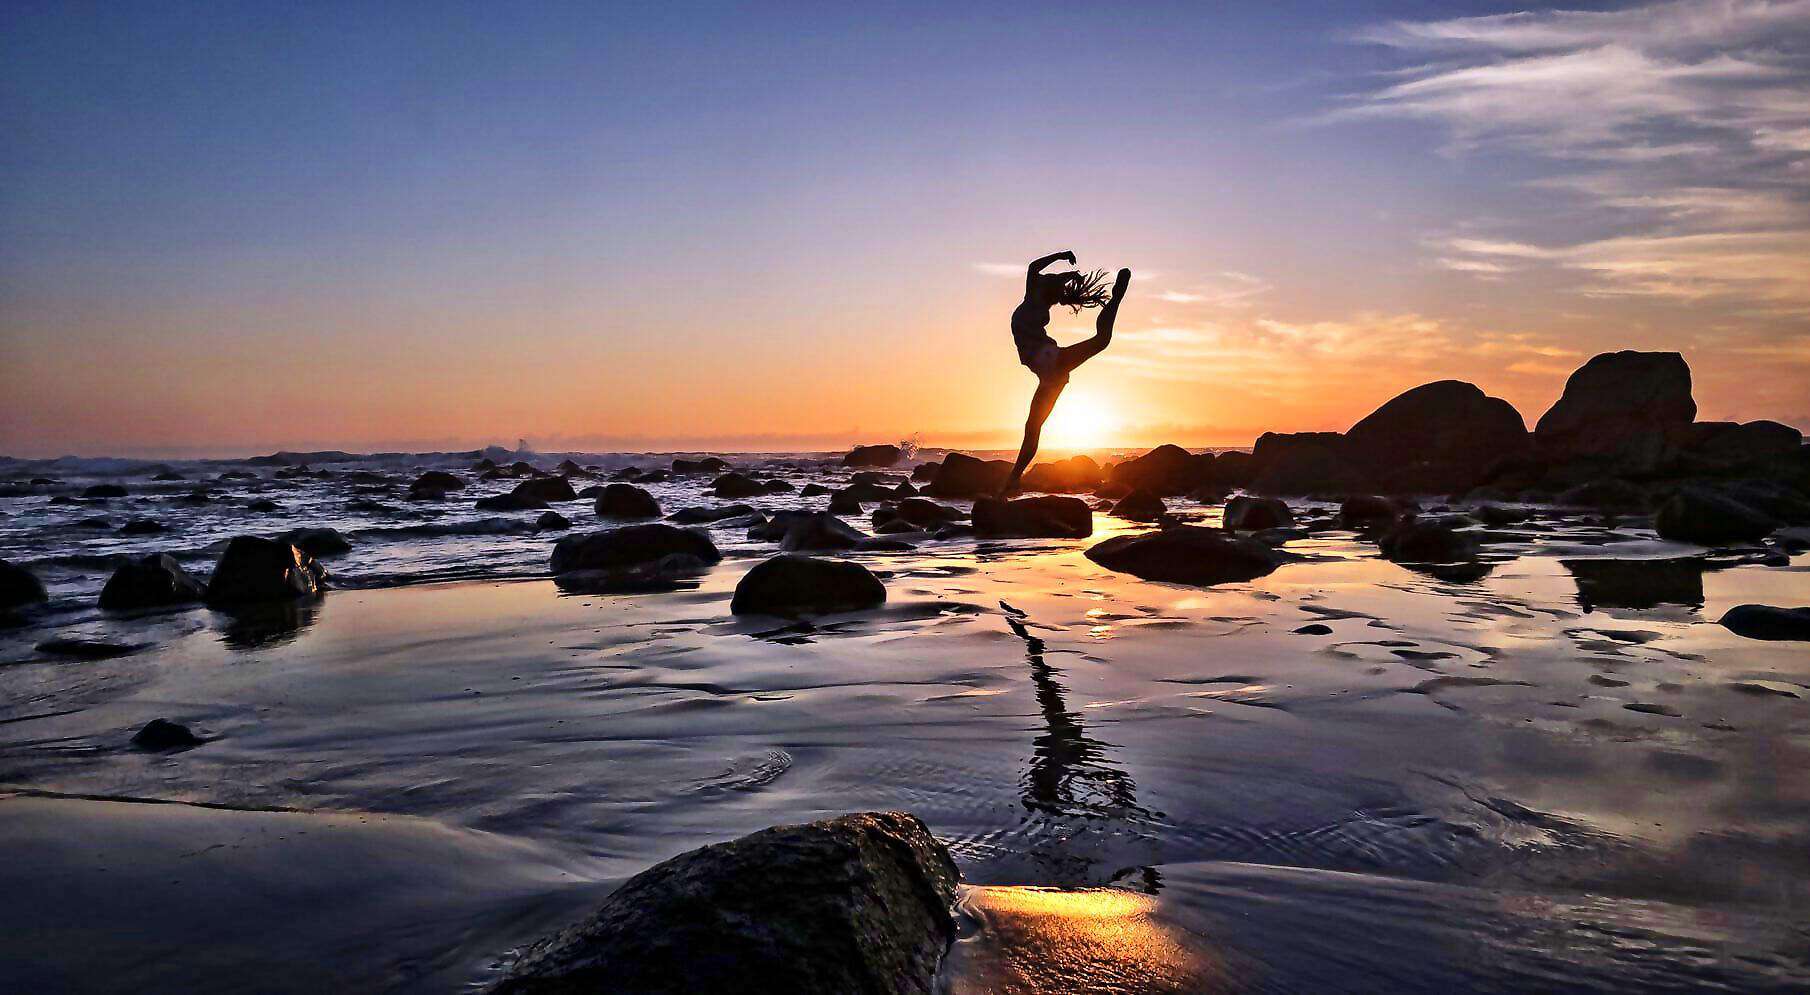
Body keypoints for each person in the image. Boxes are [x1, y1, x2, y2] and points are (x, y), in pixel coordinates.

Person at [1000, 251, 1131, 496]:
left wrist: (1062, 260)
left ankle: (1116, 298)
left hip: (1051, 360)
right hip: (1050, 377)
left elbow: (1035, 268)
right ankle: (1011, 482)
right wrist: (1062, 260)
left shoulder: (1036, 298)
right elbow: (1036, 267)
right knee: (1032, 427)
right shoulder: (1036, 295)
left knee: (1101, 340)